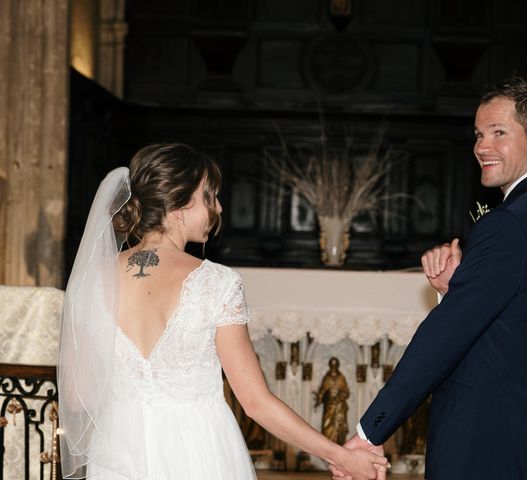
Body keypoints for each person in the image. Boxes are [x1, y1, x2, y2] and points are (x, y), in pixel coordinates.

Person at [333, 74, 527, 479]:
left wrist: (370, 431)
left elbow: (446, 336)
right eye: (479, 134)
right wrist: (455, 287)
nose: (482, 147)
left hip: (489, 443)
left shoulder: (510, 223)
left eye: (499, 132)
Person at [57, 143, 388, 479]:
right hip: (198, 449)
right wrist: (338, 455)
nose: (218, 207)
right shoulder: (216, 282)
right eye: (209, 196)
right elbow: (256, 402)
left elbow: (75, 395)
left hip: (118, 450)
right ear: (179, 205)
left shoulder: (93, 280)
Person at [314, 357, 350, 445]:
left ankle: (339, 444)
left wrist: (338, 398)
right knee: (327, 426)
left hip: (339, 407)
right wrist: (319, 399)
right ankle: (328, 446)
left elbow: (346, 392)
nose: (333, 367)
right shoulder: (326, 378)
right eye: (332, 365)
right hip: (329, 406)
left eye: (335, 365)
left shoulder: (341, 377)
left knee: (339, 427)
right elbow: (322, 391)